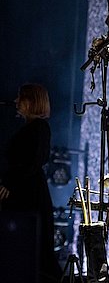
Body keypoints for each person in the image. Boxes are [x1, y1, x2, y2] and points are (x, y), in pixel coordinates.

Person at [0, 83, 62, 283]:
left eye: (21, 98)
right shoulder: (31, 128)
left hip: (29, 193)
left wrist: (10, 182)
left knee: (33, 244)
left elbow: (33, 159)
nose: (16, 101)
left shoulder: (39, 128)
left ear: (31, 102)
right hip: (25, 191)